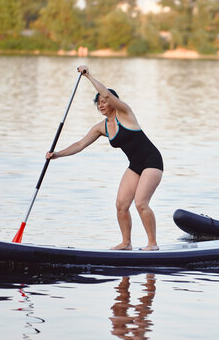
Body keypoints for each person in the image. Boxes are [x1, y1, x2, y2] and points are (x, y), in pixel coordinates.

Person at [46, 65, 163, 250]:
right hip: (135, 165)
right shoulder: (102, 127)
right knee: (121, 205)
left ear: (113, 102)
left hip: (152, 162)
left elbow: (107, 94)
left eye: (104, 101)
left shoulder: (125, 113)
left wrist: (88, 76)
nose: (101, 104)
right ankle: (126, 243)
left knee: (141, 203)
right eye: (98, 102)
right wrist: (57, 155)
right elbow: (80, 144)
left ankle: (153, 244)